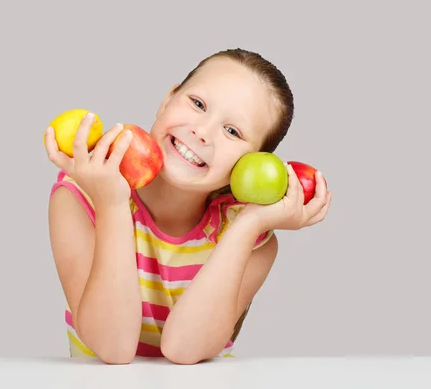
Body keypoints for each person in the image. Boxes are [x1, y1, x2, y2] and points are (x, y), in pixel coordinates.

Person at [44, 48, 332, 365]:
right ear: (167, 100)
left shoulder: (254, 236)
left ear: (254, 161)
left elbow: (185, 349)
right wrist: (112, 204)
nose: (202, 132)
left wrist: (248, 226)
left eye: (232, 131)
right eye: (197, 104)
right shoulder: (80, 198)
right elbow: (111, 347)